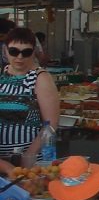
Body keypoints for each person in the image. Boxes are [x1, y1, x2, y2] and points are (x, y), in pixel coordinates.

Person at [0, 27, 61, 174]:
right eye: (14, 51)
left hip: (31, 163)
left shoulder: (40, 78)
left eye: (26, 52)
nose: (19, 57)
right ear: (5, 50)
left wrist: (29, 155)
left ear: (33, 52)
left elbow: (51, 124)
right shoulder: (1, 76)